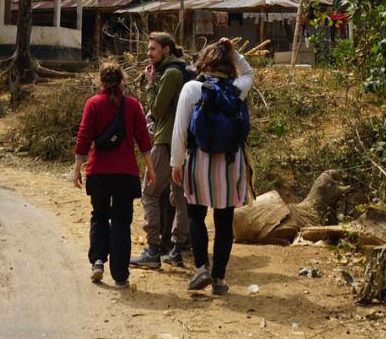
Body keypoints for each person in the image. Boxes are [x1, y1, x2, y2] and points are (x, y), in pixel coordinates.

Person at [170, 38, 254, 296]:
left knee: (196, 214)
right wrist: (234, 52)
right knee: (224, 219)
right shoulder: (238, 87)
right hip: (230, 164)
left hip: (199, 161)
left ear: (203, 62)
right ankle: (219, 279)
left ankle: (200, 269)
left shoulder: (193, 88)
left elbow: (180, 130)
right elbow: (249, 72)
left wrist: (176, 162)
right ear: (228, 64)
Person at [73, 61, 153, 288]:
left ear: (100, 80)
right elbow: (143, 139)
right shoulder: (133, 105)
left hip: (98, 172)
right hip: (125, 174)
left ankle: (98, 261)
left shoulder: (93, 104)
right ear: (122, 81)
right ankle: (120, 275)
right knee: (121, 222)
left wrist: (77, 168)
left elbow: (84, 137)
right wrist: (151, 167)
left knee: (99, 215)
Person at [132, 32, 192, 270]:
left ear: (167, 50)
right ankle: (176, 248)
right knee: (180, 196)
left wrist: (150, 85)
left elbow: (157, 110)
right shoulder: (179, 71)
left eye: (153, 49)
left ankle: (153, 250)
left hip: (166, 140)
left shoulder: (171, 74)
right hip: (182, 141)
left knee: (150, 193)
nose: (149, 53)